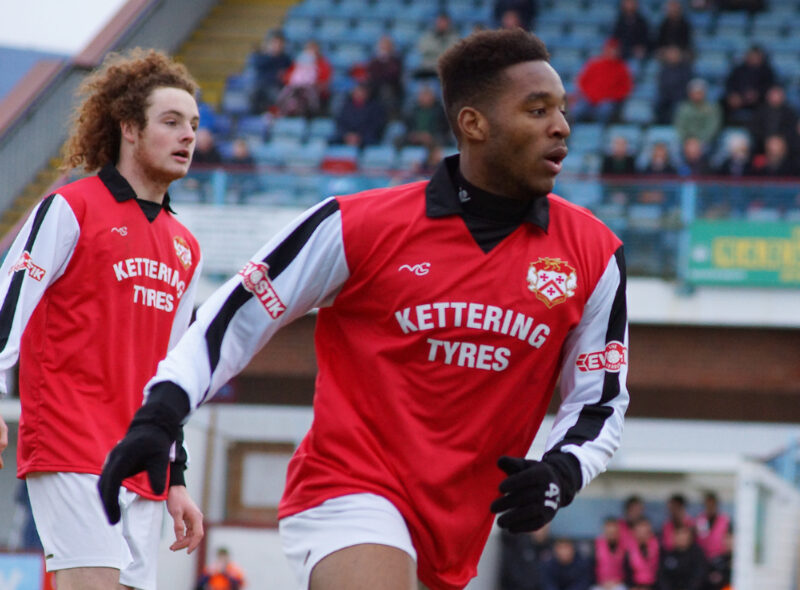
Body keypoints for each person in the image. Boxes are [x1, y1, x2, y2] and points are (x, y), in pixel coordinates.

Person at [98, 28, 630, 590]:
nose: (561, 127)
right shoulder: (358, 224)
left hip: (458, 529)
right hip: (348, 490)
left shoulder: (594, 256)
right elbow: (236, 317)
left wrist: (561, 470)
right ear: (474, 124)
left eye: (563, 110)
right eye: (538, 109)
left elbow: (598, 401)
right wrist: (161, 414)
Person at [0, 48, 204, 590]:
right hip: (69, 443)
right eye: (171, 121)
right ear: (128, 129)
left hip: (140, 459)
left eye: (194, 125)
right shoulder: (70, 208)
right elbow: (6, 308)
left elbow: (175, 372)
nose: (188, 136)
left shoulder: (186, 245)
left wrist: (177, 475)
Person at [573, 39, 633, 124]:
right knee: (578, 110)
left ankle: (599, 132)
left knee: (604, 110)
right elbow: (582, 81)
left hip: (608, 100)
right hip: (589, 99)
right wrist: (589, 95)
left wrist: (612, 97)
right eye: (609, 49)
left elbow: (625, 88)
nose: (611, 52)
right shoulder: (594, 64)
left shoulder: (622, 68)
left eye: (614, 50)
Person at [275, 40, 332, 117]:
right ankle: (282, 110)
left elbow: (324, 81)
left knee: (307, 93)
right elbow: (289, 77)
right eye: (309, 49)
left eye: (314, 49)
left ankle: (312, 113)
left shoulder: (322, 64)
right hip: (296, 89)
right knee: (288, 92)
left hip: (312, 89)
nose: (311, 52)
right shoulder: (299, 63)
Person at [722, 45, 775, 126]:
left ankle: (758, 131)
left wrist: (757, 94)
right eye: (751, 56)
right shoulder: (738, 69)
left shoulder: (767, 71)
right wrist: (733, 95)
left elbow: (770, 87)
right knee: (722, 104)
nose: (754, 58)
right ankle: (727, 128)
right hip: (739, 98)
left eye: (756, 56)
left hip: (759, 101)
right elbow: (729, 83)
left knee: (768, 107)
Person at [748, 85, 799, 157]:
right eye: (773, 94)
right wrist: (767, 139)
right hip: (762, 143)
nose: (776, 97)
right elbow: (755, 128)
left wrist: (781, 140)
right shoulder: (760, 111)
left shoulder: (790, 112)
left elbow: (792, 129)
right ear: (768, 96)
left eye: (778, 94)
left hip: (785, 143)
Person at [499, 524, 553, 590]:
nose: (540, 532)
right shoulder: (521, 545)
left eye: (544, 529)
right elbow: (513, 570)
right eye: (539, 528)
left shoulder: (550, 548)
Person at [249, 31, 292, 114]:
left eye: (280, 43)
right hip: (260, 87)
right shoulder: (260, 56)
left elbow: (289, 73)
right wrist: (271, 55)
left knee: (278, 95)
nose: (277, 45)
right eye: (275, 43)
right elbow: (257, 65)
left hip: (277, 88)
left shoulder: (286, 59)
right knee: (252, 94)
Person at [673, 78, 722, 149]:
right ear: (690, 94)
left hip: (706, 141)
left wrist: (699, 140)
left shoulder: (712, 108)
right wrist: (688, 140)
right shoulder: (683, 108)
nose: (697, 95)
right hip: (686, 140)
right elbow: (680, 126)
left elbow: (712, 128)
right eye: (695, 93)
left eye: (699, 93)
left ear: (704, 93)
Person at [333, 83, 387, 147]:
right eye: (356, 92)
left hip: (366, 139)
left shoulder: (375, 108)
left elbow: (375, 126)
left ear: (367, 94)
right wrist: (347, 135)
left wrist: (359, 137)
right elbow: (340, 123)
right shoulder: (346, 106)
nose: (358, 94)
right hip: (346, 138)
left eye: (361, 92)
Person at [365, 36, 405, 120]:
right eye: (382, 45)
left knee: (386, 91)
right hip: (375, 89)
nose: (384, 48)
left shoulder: (396, 60)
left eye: (386, 45)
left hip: (392, 90)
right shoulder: (374, 60)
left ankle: (389, 117)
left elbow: (392, 75)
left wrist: (385, 63)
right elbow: (372, 74)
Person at [655, 524, 706, 590]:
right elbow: (662, 577)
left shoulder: (697, 554)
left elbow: (699, 576)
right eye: (678, 534)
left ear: (690, 537)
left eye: (684, 534)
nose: (681, 537)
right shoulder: (668, 555)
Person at [401, 83, 452, 148]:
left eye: (426, 94)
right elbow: (408, 128)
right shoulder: (413, 111)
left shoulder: (441, 111)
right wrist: (417, 136)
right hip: (415, 140)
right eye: (421, 94)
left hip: (435, 140)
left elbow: (444, 130)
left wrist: (430, 137)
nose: (423, 97)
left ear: (433, 96)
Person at [413, 12, 461, 79]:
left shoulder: (454, 37)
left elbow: (452, 54)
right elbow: (422, 49)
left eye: (443, 22)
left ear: (448, 23)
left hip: (446, 70)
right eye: (439, 22)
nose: (441, 24)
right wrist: (440, 50)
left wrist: (433, 51)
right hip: (428, 69)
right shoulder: (427, 36)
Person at [654, 45, 692, 125]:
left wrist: (675, 95)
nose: (672, 56)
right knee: (658, 105)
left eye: (674, 54)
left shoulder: (685, 69)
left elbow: (686, 86)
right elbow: (661, 85)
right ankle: (659, 127)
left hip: (680, 97)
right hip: (666, 97)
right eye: (670, 54)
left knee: (677, 107)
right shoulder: (664, 69)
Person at [694, 492, 731, 561]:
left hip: (720, 557)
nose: (710, 507)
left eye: (712, 504)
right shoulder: (700, 520)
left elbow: (729, 539)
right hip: (702, 557)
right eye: (708, 504)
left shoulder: (725, 520)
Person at [624, 518, 660, 590]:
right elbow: (626, 570)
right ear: (634, 531)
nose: (642, 532)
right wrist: (633, 586)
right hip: (635, 585)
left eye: (644, 527)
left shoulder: (658, 545)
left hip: (654, 585)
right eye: (639, 529)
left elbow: (661, 571)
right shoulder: (628, 548)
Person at [592, 518, 626, 590]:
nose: (611, 533)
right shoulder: (596, 545)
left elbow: (628, 569)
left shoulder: (624, 546)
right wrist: (601, 582)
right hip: (600, 584)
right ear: (604, 530)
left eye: (614, 531)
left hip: (618, 584)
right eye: (609, 530)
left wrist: (617, 581)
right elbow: (591, 568)